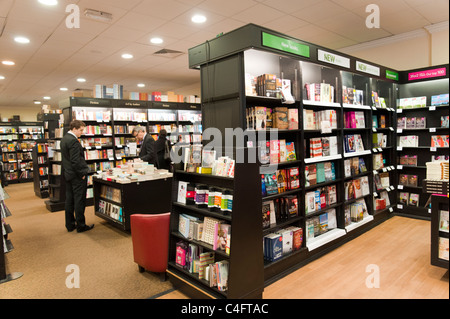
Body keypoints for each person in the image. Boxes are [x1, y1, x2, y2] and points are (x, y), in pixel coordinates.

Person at [61, 120, 94, 233]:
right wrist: (82, 174)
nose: (81, 132)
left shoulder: (64, 139)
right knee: (79, 200)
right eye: (80, 130)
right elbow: (75, 161)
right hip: (76, 175)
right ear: (74, 129)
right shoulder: (74, 141)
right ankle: (81, 225)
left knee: (69, 200)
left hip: (68, 174)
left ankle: (70, 224)